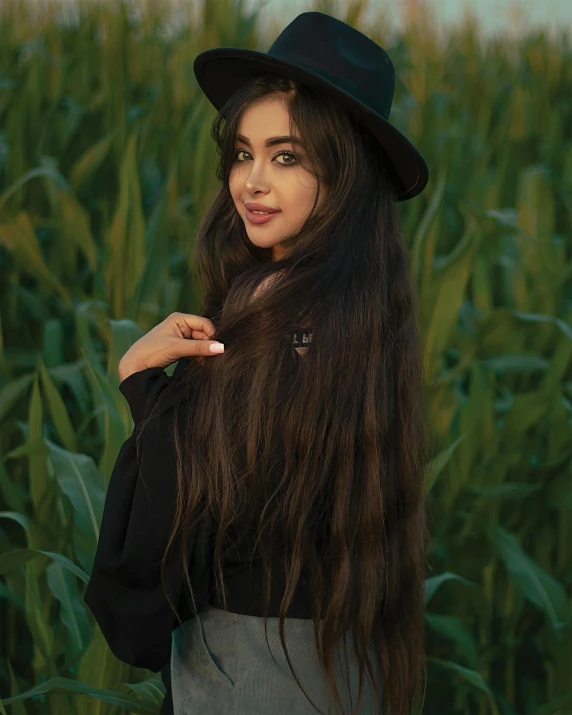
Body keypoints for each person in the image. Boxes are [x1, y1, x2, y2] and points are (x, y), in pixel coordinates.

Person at [84, 11, 430, 715]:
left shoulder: (284, 315)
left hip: (255, 674)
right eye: (243, 153)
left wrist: (144, 387)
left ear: (347, 173)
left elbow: (175, 539)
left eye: (287, 156)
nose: (252, 183)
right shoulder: (364, 321)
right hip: (342, 664)